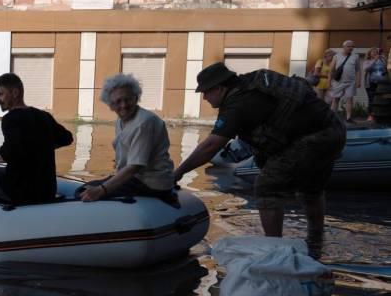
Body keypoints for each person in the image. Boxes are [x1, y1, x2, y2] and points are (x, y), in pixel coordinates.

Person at [173, 63, 346, 257]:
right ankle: (316, 242)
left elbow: (211, 146)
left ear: (219, 88)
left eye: (206, 92)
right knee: (311, 188)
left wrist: (179, 172)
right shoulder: (252, 82)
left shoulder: (237, 105)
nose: (204, 98)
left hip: (314, 138)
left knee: (267, 187)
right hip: (333, 129)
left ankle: (274, 251)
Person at [0, 72, 73, 204]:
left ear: (15, 93)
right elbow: (67, 138)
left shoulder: (10, 119)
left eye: (0, 94)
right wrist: (41, 147)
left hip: (21, 190)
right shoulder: (44, 116)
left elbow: (10, 153)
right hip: (47, 189)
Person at [79, 74, 176, 203]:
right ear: (111, 105)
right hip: (135, 179)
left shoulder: (144, 122)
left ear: (136, 98)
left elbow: (135, 166)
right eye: (118, 101)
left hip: (152, 184)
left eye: (128, 99)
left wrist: (101, 189)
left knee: (81, 193)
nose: (123, 105)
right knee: (83, 189)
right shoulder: (121, 121)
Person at [325, 40, 359, 120]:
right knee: (336, 99)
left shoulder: (356, 56)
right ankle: (332, 118)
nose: (351, 48)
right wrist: (329, 82)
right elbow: (331, 70)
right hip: (338, 82)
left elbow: (358, 70)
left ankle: (349, 117)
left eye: (352, 46)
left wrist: (358, 81)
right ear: (343, 47)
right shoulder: (336, 56)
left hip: (351, 82)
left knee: (349, 99)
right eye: (349, 46)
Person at [360, 46, 388, 122]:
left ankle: (380, 115)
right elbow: (367, 69)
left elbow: (386, 69)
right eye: (373, 52)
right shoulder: (367, 61)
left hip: (381, 84)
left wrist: (385, 59)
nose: (375, 53)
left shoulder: (381, 61)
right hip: (371, 83)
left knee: (382, 100)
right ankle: (370, 115)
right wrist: (374, 60)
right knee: (371, 99)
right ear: (369, 54)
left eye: (376, 52)